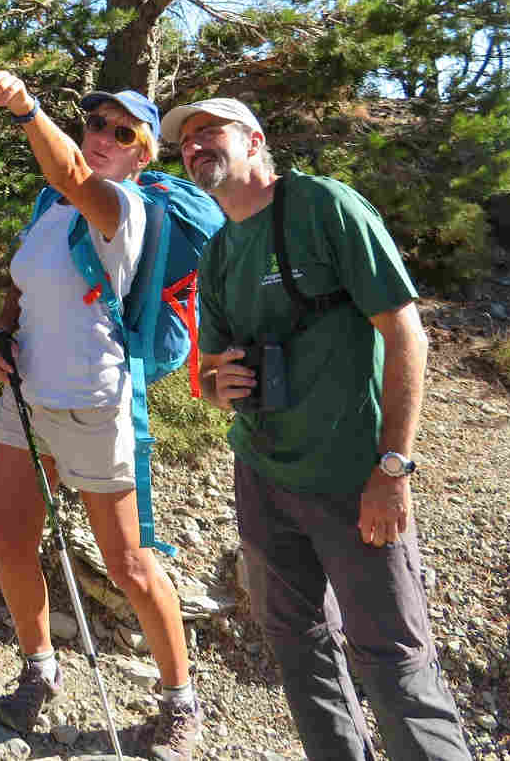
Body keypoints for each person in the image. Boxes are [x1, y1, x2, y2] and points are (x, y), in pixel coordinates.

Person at [165, 97, 471, 761]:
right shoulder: (219, 253)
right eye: (185, 142)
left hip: (351, 477)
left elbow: (406, 333)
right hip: (264, 477)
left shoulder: (325, 207)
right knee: (298, 646)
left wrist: (393, 469)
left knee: (392, 656)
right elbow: (213, 377)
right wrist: (222, 389)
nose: (194, 147)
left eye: (208, 132)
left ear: (255, 138)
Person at [0, 51, 203, 760]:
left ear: (142, 157)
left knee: (129, 562)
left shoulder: (122, 207)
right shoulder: (49, 208)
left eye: (123, 132)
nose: (103, 134)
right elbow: (23, 280)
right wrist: (1, 332)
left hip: (93, 403)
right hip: (27, 393)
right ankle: (39, 671)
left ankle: (180, 701)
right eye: (95, 121)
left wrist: (25, 109)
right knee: (11, 543)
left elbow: (71, 171)